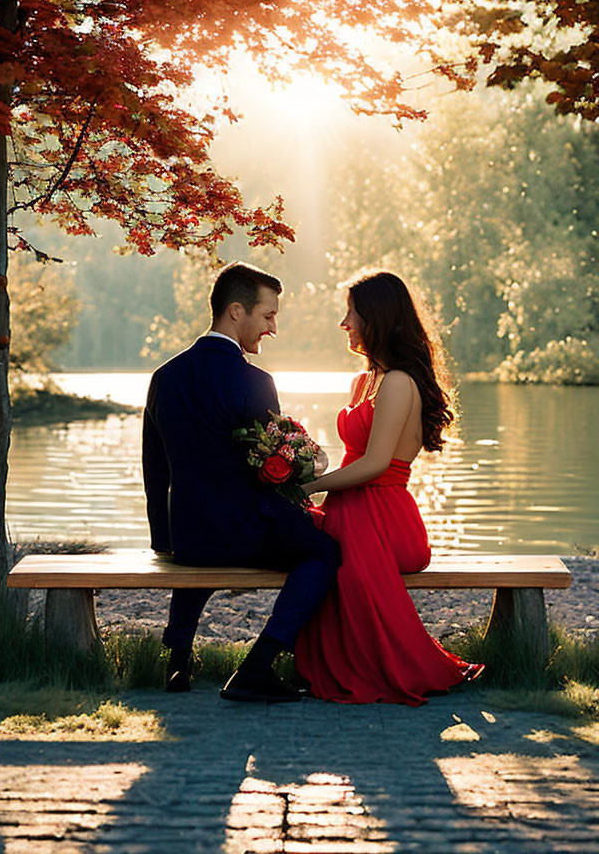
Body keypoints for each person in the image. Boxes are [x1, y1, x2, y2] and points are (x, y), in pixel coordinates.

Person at [142, 261, 341, 702]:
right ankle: (259, 664)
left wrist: (164, 538)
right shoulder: (254, 381)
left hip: (189, 538)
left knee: (207, 539)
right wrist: (307, 477)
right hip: (244, 533)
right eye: (268, 315)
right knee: (324, 552)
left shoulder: (164, 377)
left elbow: (155, 470)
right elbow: (266, 470)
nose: (272, 327)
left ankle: (176, 662)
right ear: (236, 312)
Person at [295, 271, 482, 705]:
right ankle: (322, 659)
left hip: (384, 513)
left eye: (351, 313)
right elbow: (351, 456)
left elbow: (376, 464)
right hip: (352, 505)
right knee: (316, 549)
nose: (344, 323)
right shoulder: (363, 381)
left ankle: (389, 665)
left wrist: (311, 487)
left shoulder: (399, 382)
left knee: (346, 554)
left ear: (376, 318)